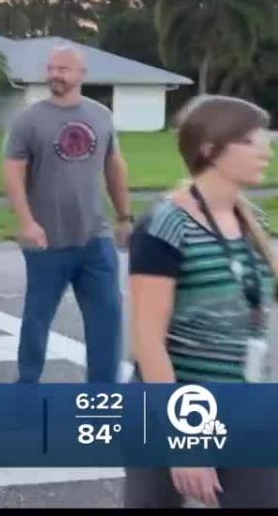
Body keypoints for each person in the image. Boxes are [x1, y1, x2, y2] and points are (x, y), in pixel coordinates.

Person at [125, 96, 276, 508]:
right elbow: (148, 340)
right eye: (250, 141)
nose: (266, 149)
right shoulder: (165, 225)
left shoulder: (254, 221)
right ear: (211, 149)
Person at [2, 46, 133, 384]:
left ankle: (102, 397)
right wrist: (26, 222)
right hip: (47, 240)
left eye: (63, 69)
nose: (55, 74)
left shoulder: (100, 115)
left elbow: (114, 167)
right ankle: (27, 390)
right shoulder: (28, 119)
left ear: (81, 74)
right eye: (51, 67)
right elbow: (13, 171)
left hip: (95, 238)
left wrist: (125, 216)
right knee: (37, 320)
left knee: (107, 321)